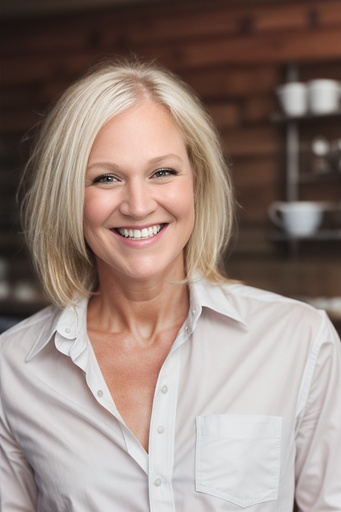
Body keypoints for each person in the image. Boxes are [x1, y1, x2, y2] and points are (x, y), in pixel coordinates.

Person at [0, 58, 340, 512]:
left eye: (163, 172)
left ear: (196, 181)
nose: (139, 205)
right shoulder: (13, 370)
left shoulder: (299, 340)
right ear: (69, 196)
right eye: (106, 178)